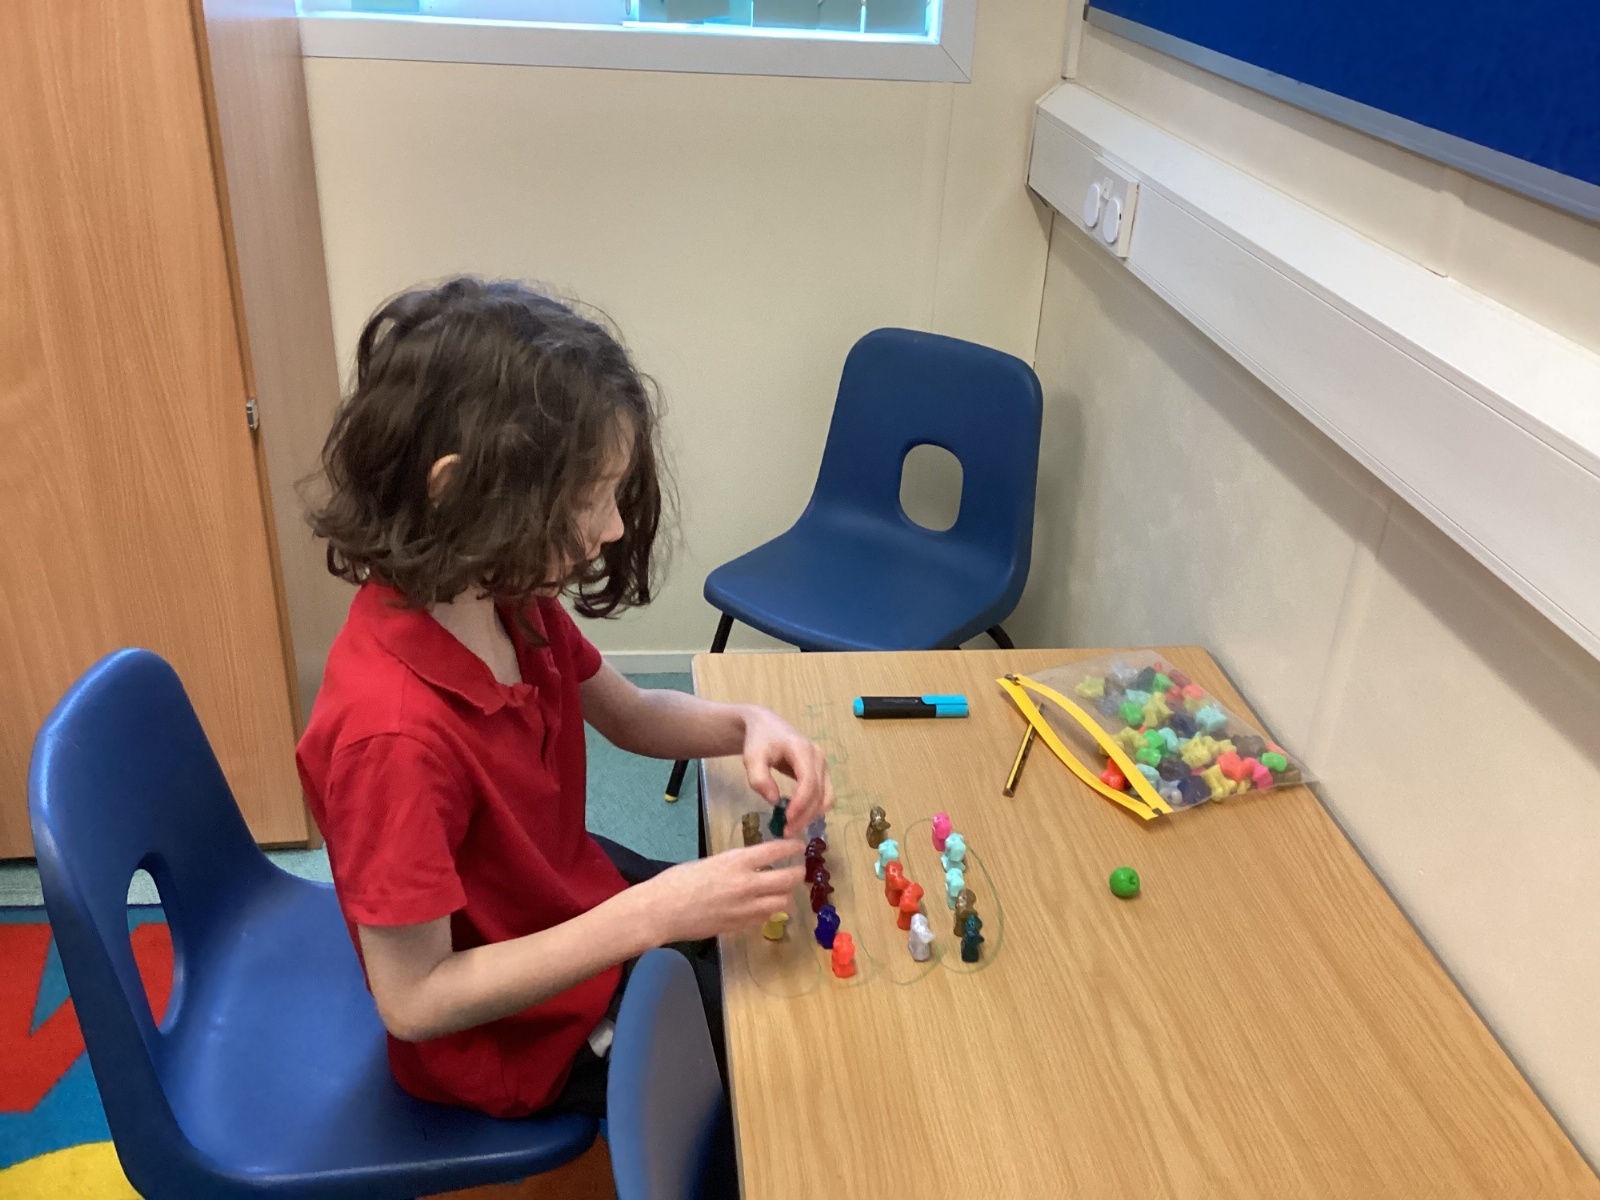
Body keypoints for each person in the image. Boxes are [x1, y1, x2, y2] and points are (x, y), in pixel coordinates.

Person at [295, 277, 833, 1126]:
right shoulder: (390, 737)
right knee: (780, 1065)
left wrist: (746, 724)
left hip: (559, 900)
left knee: (754, 942)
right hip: (515, 1039)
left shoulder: (500, 592)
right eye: (591, 499)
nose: (613, 528)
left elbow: (630, 715)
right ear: (460, 490)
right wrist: (648, 916)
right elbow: (414, 1000)